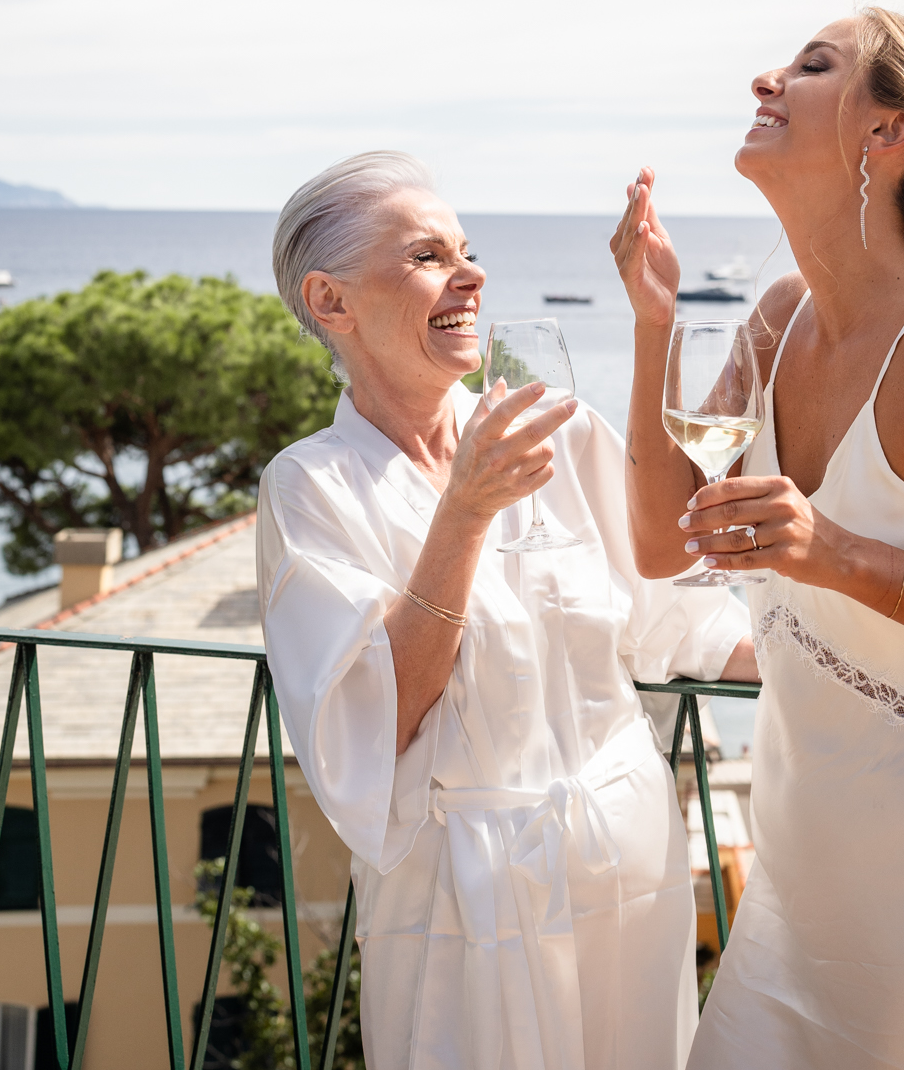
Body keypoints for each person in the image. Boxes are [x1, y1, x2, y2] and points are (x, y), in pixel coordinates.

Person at [612, 12, 904, 1070]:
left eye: (810, 65)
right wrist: (654, 328)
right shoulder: (777, 317)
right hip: (796, 890)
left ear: (888, 134)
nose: (767, 76)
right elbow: (659, 540)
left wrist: (834, 554)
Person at [258, 151, 754, 1070]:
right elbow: (376, 720)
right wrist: (466, 511)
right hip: (464, 902)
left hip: (631, 871)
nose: (472, 274)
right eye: (428, 256)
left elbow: (679, 622)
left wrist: (863, 651)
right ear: (331, 302)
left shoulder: (559, 430)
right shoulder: (309, 488)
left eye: (468, 249)